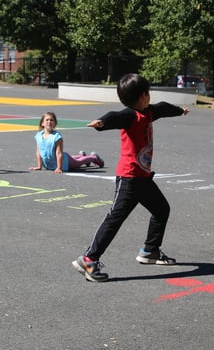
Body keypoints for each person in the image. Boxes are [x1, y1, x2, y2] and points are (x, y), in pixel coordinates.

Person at [72, 74, 189, 282]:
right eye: (148, 92)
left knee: (162, 209)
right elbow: (114, 116)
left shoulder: (150, 112)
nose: (150, 96)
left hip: (143, 179)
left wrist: (180, 111)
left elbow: (163, 107)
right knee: (115, 218)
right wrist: (102, 123)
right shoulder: (130, 116)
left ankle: (150, 251)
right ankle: (88, 259)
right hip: (129, 179)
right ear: (143, 96)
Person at [29, 111, 104, 173]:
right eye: (47, 120)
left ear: (55, 124)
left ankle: (94, 158)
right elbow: (38, 152)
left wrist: (59, 167)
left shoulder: (56, 137)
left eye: (52, 120)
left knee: (78, 163)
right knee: (75, 159)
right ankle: (81, 155)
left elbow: (59, 153)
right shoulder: (38, 136)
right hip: (51, 163)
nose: (49, 122)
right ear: (42, 123)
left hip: (64, 162)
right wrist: (39, 166)